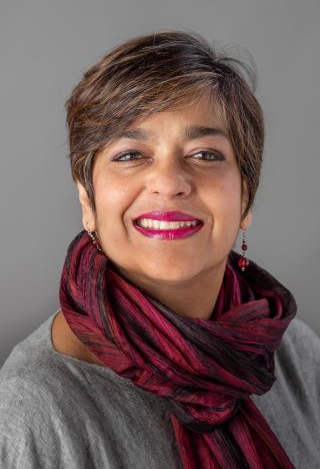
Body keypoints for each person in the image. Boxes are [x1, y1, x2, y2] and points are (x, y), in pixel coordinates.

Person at [0, 31, 319, 469]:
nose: (169, 182)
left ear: (246, 198)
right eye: (131, 155)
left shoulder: (297, 354)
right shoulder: (32, 408)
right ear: (87, 200)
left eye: (206, 154)